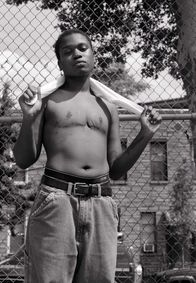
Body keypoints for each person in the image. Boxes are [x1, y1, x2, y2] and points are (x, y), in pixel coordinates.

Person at [13, 29, 162, 283]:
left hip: (102, 202)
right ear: (60, 62)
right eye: (67, 52)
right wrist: (29, 118)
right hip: (57, 200)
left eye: (83, 48)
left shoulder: (108, 107)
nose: (76, 54)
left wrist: (145, 134)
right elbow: (24, 160)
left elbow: (116, 169)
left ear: (94, 56)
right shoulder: (46, 102)